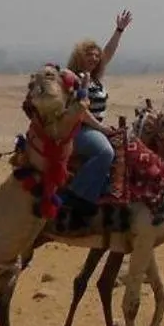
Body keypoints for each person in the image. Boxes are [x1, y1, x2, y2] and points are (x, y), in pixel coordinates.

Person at [60, 11, 131, 208]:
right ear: (79, 57)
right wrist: (102, 129)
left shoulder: (95, 78)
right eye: (88, 55)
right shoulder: (73, 78)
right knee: (106, 153)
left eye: (95, 55)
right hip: (79, 130)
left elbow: (108, 52)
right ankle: (78, 196)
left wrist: (119, 30)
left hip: (96, 128)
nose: (93, 58)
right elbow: (80, 111)